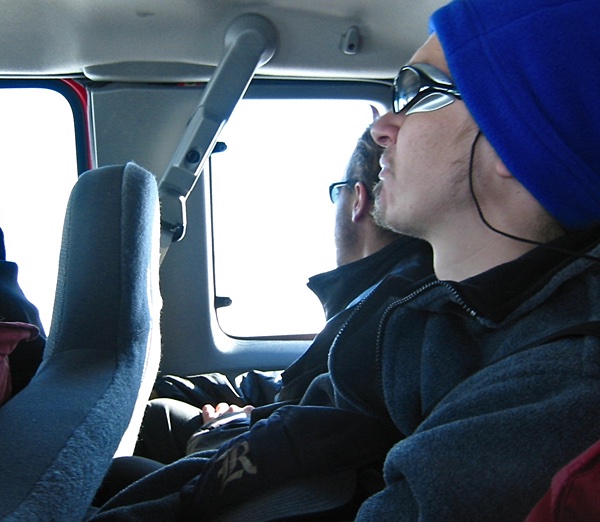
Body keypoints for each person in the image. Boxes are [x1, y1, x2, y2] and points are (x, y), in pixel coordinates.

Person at [89, 0, 600, 519]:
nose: (384, 128)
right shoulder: (427, 315)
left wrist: (216, 445)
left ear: (513, 143)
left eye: (420, 91)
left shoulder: (557, 393)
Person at [129, 125, 434, 464]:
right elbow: (285, 390)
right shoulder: (378, 296)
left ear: (357, 200)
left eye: (338, 192)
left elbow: (320, 448)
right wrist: (163, 387)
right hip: (288, 449)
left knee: (142, 446)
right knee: (159, 411)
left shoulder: (387, 314)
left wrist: (219, 433)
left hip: (295, 478)